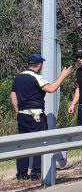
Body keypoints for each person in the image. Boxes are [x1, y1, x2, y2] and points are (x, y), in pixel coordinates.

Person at [9, 53, 72, 181]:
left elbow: (13, 96)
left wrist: (18, 111)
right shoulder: (37, 77)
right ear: (39, 65)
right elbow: (52, 88)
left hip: (22, 115)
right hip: (35, 116)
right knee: (40, 143)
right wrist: (63, 76)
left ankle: (21, 174)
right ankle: (36, 172)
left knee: (22, 145)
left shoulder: (18, 77)